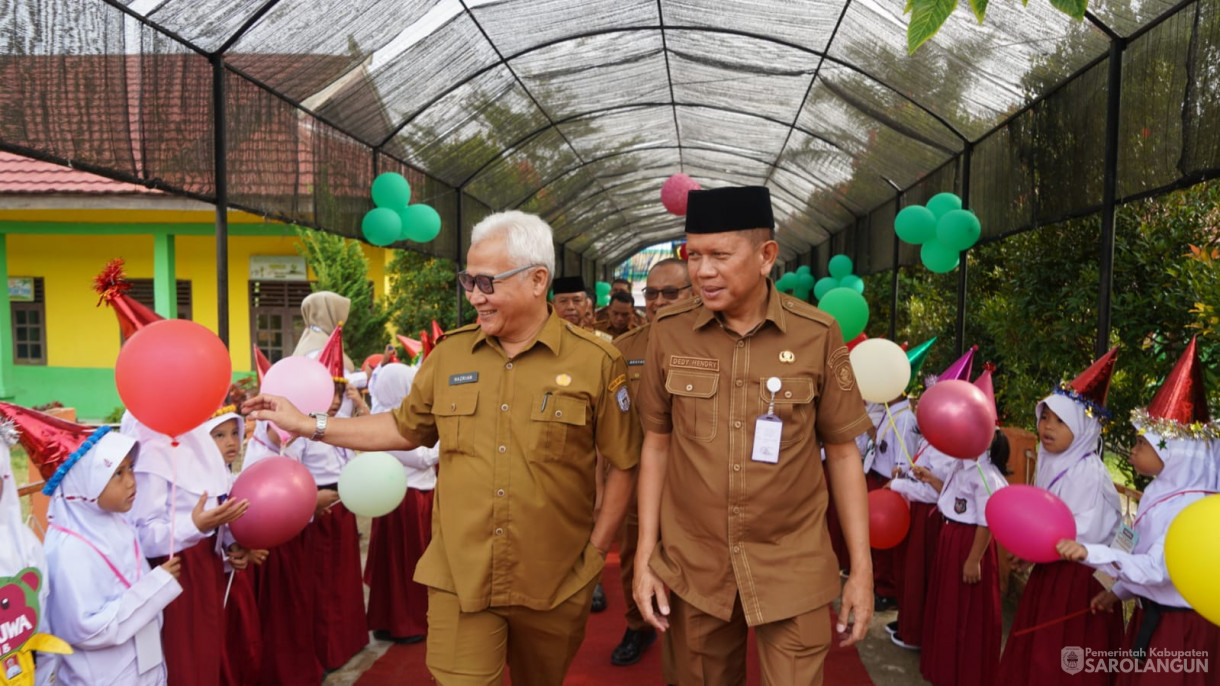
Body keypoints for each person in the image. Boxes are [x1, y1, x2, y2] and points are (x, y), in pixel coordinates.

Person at [244, 210, 642, 686]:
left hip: (554, 578)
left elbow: (623, 463)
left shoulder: (597, 361)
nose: (474, 295)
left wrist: (595, 553)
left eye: (486, 282)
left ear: (538, 280)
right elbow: (404, 427)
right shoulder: (450, 355)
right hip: (460, 574)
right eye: (468, 280)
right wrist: (309, 423)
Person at [633, 186, 874, 685]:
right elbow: (655, 445)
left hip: (793, 564)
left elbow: (844, 453)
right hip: (694, 565)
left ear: (766, 256)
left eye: (720, 255)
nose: (702, 271)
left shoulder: (817, 333)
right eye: (693, 255)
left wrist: (862, 570)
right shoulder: (669, 332)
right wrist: (644, 556)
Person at [1057, 337, 1220, 686]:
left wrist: (1089, 551)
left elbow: (1159, 570)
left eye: (1141, 443)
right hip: (1153, 619)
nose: (1132, 451)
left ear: (1175, 452)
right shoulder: (1161, 491)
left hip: (1179, 629)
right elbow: (1137, 546)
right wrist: (1116, 591)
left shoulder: (1191, 508)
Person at [19, 408, 184, 685]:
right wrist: (155, 588)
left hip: (143, 667)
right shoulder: (69, 549)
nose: (132, 481)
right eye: (118, 473)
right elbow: (85, 630)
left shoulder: (116, 522)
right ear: (85, 483)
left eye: (131, 468)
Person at [998, 348, 1123, 686]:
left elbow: (1085, 532)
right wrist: (1031, 554)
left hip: (1079, 582)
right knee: (1037, 655)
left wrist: (1043, 548)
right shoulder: (1053, 460)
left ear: (1083, 428)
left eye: (1060, 421)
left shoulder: (1090, 473)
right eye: (1045, 417)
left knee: (1062, 661)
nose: (1047, 427)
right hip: (1052, 573)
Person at [606, 257, 691, 673]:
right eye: (652, 293)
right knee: (632, 562)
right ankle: (638, 624)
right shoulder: (625, 350)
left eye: (670, 292)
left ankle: (688, 642)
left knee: (693, 567)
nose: (658, 301)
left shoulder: (713, 343)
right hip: (640, 481)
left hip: (697, 487)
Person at [125, 414, 248, 686]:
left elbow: (214, 502)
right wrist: (193, 525)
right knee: (183, 654)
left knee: (206, 647)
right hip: (174, 568)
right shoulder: (151, 451)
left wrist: (229, 542)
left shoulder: (198, 442)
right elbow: (141, 532)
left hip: (206, 561)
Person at [916, 368, 1010, 686]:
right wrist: (932, 479)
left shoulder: (987, 476)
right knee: (947, 607)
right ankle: (944, 667)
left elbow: (987, 519)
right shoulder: (962, 463)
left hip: (969, 544)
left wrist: (973, 559)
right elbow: (956, 499)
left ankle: (963, 672)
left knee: (965, 613)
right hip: (951, 537)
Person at [362, 362, 439, 643]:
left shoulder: (403, 416)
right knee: (407, 564)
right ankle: (406, 622)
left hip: (409, 495)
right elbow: (419, 457)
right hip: (405, 498)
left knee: (398, 564)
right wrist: (444, 441)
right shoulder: (390, 420)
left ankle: (391, 619)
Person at [205, 407, 266, 686]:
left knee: (245, 642)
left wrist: (244, 549)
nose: (231, 441)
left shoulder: (232, 479)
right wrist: (230, 558)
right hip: (212, 585)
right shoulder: (199, 487)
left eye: (234, 433)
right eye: (219, 435)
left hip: (235, 579)